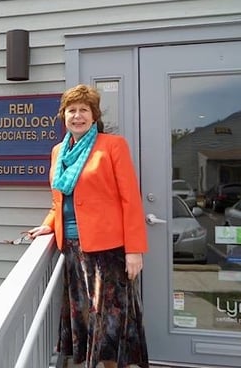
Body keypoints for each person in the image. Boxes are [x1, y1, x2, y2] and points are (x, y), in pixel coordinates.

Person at [26, 84, 149, 368]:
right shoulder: (58, 151)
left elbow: (130, 200)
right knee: (86, 318)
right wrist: (48, 225)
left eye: (84, 110)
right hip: (71, 249)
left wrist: (134, 250)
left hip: (108, 252)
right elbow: (60, 201)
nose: (77, 116)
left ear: (94, 116)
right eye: (72, 110)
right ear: (63, 116)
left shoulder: (112, 146)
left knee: (109, 324)